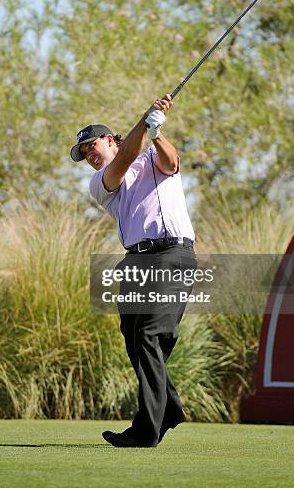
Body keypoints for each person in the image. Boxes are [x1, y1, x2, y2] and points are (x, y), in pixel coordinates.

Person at [70, 94, 196, 447]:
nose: (90, 157)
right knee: (134, 338)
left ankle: (146, 430)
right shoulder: (100, 183)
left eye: (92, 147)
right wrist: (145, 121)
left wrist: (155, 133)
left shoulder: (152, 155)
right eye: (84, 155)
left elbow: (171, 163)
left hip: (172, 254)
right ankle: (168, 407)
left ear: (111, 139)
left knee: (152, 335)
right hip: (136, 262)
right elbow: (124, 161)